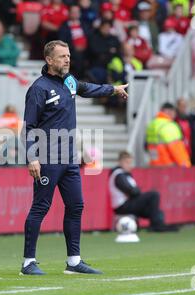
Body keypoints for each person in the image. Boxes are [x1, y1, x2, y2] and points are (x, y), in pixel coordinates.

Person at [20, 40, 128, 275]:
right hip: (47, 159)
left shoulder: (69, 81)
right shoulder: (39, 89)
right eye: (62, 56)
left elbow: (87, 88)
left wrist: (113, 89)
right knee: (40, 207)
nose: (67, 59)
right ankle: (28, 262)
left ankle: (73, 261)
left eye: (68, 55)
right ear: (49, 60)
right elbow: (28, 127)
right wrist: (32, 157)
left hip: (69, 158)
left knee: (76, 205)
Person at [110, 151, 179, 232]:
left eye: (130, 163)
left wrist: (137, 191)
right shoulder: (118, 175)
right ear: (120, 162)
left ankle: (159, 225)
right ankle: (156, 226)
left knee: (158, 212)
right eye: (127, 162)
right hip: (123, 206)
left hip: (128, 203)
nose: (129, 165)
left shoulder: (125, 175)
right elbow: (132, 191)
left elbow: (134, 191)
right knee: (154, 195)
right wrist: (137, 191)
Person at [145, 102, 191, 167]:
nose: (175, 115)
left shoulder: (152, 124)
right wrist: (185, 164)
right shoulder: (170, 126)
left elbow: (147, 145)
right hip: (169, 166)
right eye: (174, 112)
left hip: (154, 165)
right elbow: (176, 149)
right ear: (169, 112)